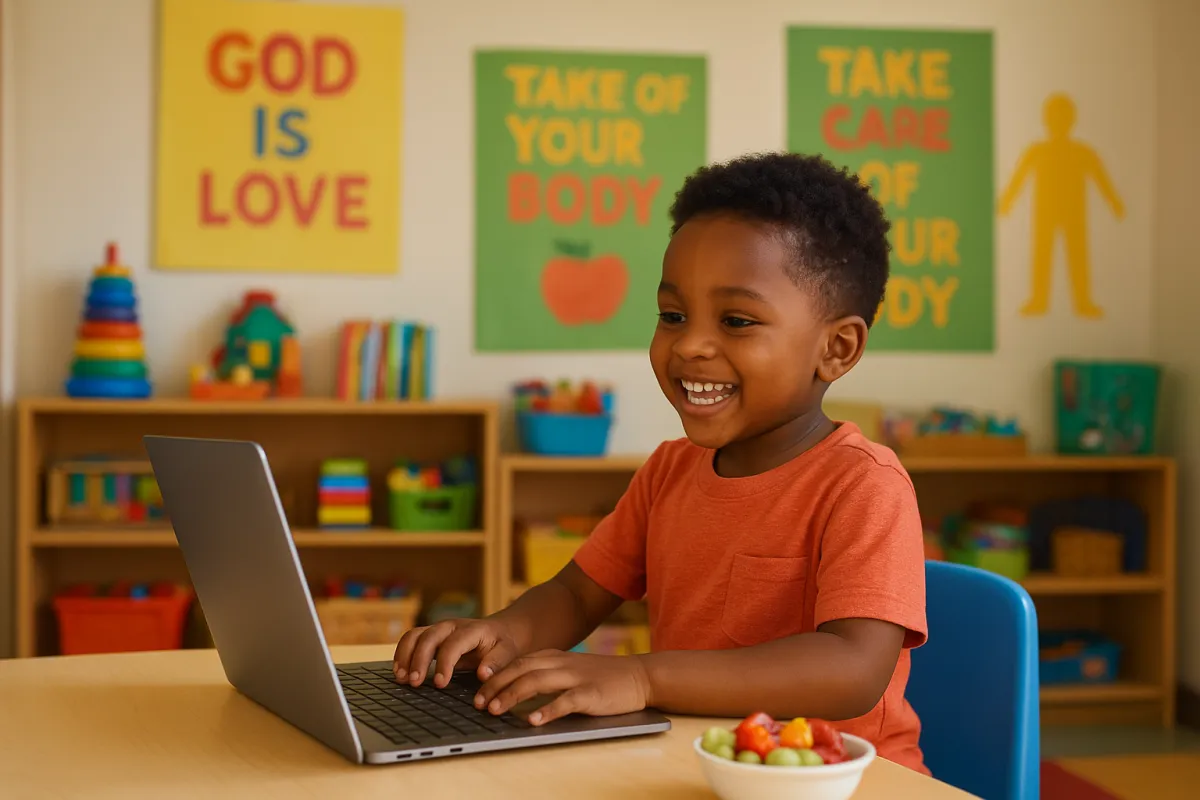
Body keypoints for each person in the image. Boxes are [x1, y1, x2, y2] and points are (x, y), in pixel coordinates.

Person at [394, 151, 929, 774]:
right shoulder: (670, 472)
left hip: (843, 782)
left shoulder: (864, 484)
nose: (690, 345)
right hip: (696, 762)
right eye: (672, 315)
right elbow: (576, 593)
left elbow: (852, 670)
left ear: (837, 349)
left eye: (736, 320)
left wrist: (643, 678)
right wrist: (503, 636)